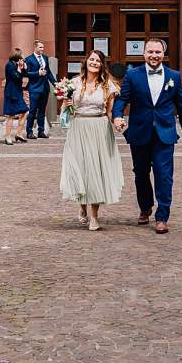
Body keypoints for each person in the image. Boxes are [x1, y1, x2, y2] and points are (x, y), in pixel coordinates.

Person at [111, 38, 182, 235]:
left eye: (158, 52)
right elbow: (123, 99)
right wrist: (117, 116)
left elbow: (181, 105)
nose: (154, 55)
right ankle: (145, 206)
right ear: (144, 53)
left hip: (165, 133)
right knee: (140, 173)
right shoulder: (132, 75)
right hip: (139, 132)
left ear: (163, 54)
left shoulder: (174, 76)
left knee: (164, 176)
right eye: (150, 52)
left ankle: (162, 216)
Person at [60, 50, 124, 231]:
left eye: (98, 60)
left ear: (102, 65)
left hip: (99, 128)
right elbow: (67, 110)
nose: (94, 62)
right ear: (86, 62)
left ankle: (94, 216)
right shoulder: (73, 83)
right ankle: (82, 207)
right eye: (92, 59)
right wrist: (66, 105)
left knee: (95, 171)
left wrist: (117, 123)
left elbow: (110, 112)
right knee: (80, 168)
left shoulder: (108, 86)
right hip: (78, 127)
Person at [25, 40, 57, 139]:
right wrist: (37, 73)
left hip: (45, 88)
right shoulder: (28, 59)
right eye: (40, 47)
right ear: (35, 47)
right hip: (34, 88)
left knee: (42, 111)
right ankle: (29, 132)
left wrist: (56, 84)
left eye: (43, 47)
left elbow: (49, 73)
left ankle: (41, 131)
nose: (42, 49)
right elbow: (26, 73)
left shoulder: (45, 58)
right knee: (33, 111)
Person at [2, 48, 29, 145]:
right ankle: (8, 136)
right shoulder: (9, 65)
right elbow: (16, 77)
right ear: (16, 55)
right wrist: (19, 69)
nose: (22, 57)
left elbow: (25, 75)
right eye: (21, 55)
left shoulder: (16, 64)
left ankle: (18, 134)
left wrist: (24, 67)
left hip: (18, 92)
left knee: (25, 111)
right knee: (10, 115)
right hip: (11, 93)